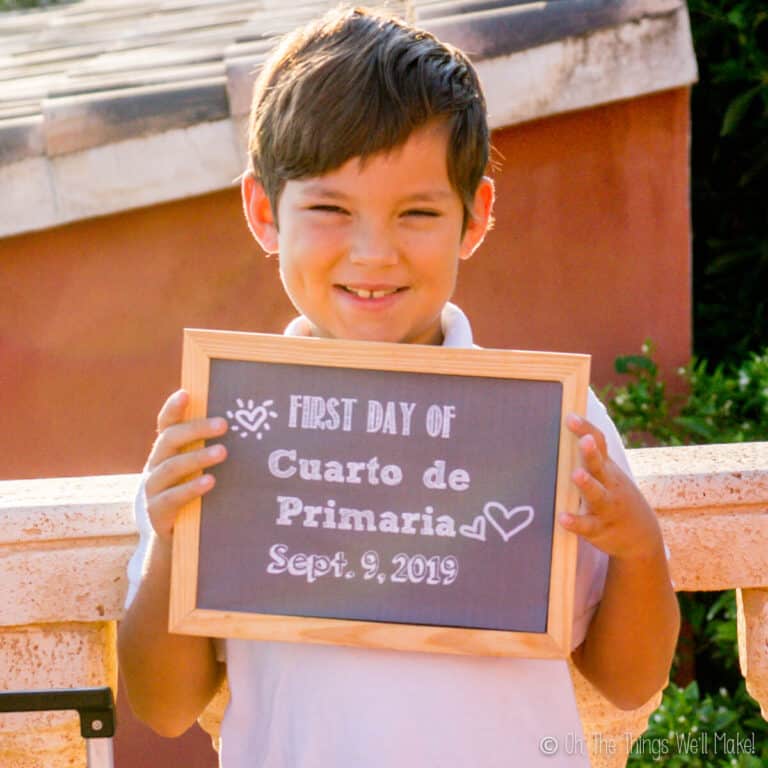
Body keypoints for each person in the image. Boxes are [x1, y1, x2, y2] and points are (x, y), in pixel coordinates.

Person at [118, 7, 680, 766]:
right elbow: (164, 702)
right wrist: (174, 543)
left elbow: (627, 680)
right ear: (263, 212)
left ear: (474, 217)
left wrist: (640, 548)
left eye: (417, 212)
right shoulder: (223, 429)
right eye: (329, 209)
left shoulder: (555, 426)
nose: (373, 253)